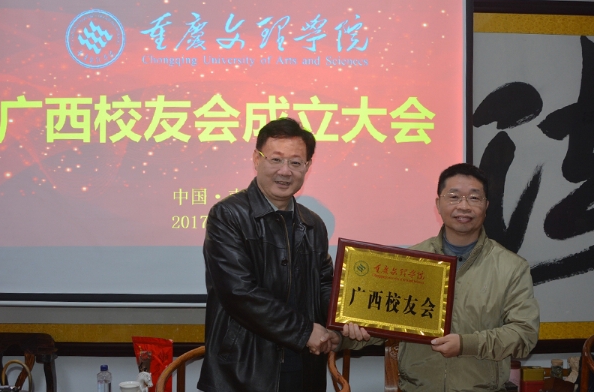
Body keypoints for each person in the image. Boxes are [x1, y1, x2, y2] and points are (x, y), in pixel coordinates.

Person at [336, 163, 540, 391]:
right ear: (438, 204)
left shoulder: (511, 267)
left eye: (474, 198)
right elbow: (383, 324)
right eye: (454, 197)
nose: (464, 206)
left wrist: (466, 344)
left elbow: (524, 335)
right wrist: (348, 335)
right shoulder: (410, 261)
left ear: (486, 206)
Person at [197, 117, 337, 392]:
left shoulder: (313, 224)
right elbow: (239, 293)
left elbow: (324, 286)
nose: (285, 171)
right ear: (256, 159)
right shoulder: (228, 215)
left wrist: (346, 321)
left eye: (295, 162)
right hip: (245, 371)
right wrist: (304, 332)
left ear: (307, 167)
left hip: (304, 368)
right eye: (276, 159)